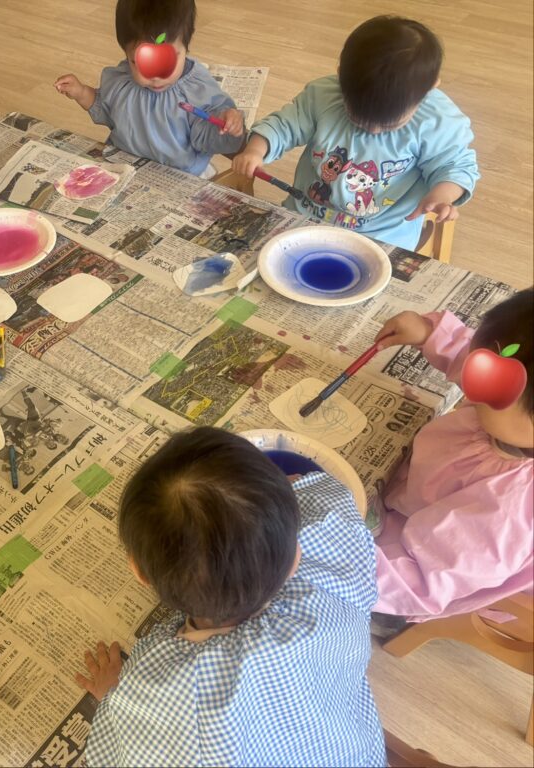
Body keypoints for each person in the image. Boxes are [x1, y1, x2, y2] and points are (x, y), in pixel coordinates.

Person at [75, 427, 385, 767]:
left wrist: (112, 696)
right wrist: (289, 489)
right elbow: (334, 504)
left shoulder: (163, 687)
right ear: (296, 556)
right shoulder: (329, 583)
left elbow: (124, 754)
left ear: (140, 573)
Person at [233, 16, 479, 250]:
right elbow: (284, 125)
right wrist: (256, 150)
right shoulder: (323, 96)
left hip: (382, 234)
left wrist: (442, 195)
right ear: (340, 76)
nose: (372, 129)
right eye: (356, 117)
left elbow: (454, 165)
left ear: (429, 88)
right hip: (306, 215)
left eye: (389, 125)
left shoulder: (437, 122)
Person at [370, 289, 533, 622]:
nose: (475, 378)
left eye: (492, 383)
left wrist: (327, 556)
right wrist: (431, 334)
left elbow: (417, 582)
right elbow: (487, 355)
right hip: (413, 503)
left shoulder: (505, 513)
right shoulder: (511, 415)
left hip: (402, 573)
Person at [54, 0, 244, 179]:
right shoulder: (122, 80)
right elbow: (106, 108)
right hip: (125, 168)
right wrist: (81, 92)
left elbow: (206, 135)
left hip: (182, 176)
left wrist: (226, 123)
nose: (156, 75)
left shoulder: (195, 89)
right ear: (126, 53)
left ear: (186, 47)